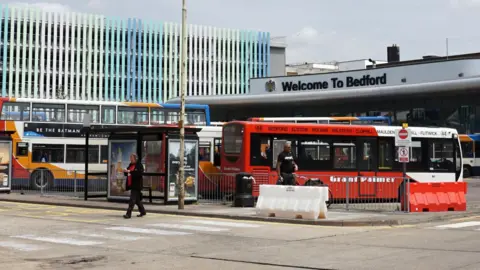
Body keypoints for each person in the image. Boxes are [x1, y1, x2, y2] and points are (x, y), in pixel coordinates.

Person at [123, 153, 146, 219]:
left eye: (132, 158)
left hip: (137, 185)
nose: (130, 159)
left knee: (132, 200)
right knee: (137, 200)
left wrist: (130, 171)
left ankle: (128, 214)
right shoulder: (131, 165)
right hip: (131, 184)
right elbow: (126, 173)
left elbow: (139, 173)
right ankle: (143, 211)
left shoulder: (139, 165)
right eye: (130, 158)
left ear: (135, 158)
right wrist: (126, 171)